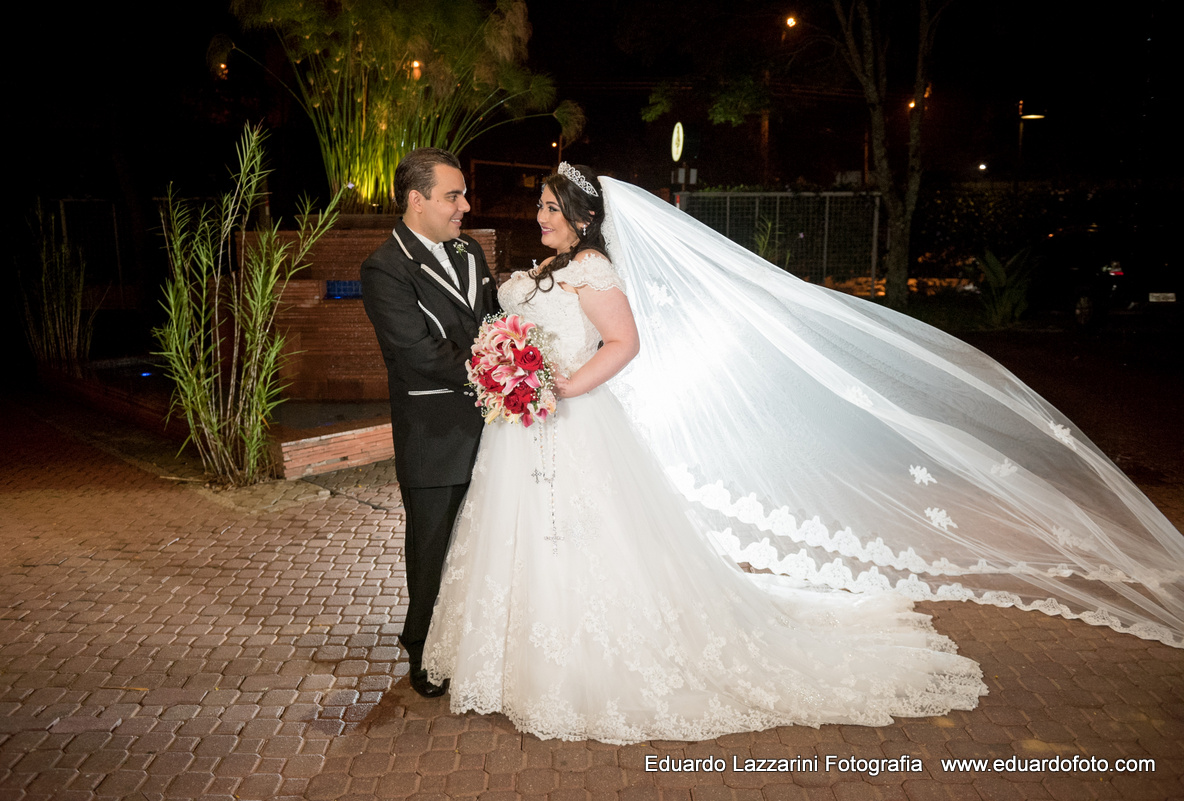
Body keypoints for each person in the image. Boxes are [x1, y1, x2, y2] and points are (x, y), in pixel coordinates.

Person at [424, 163, 1184, 743]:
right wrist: (509, 366)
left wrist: (558, 390)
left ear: (582, 217)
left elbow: (624, 344)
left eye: (550, 208)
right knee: (522, 540)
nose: (539, 215)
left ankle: (576, 662)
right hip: (519, 428)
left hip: (571, 421)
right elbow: (519, 329)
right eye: (542, 207)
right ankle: (505, 656)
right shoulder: (544, 270)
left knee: (585, 539)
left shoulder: (594, 271)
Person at [361, 148, 499, 698]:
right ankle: (422, 649)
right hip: (434, 432)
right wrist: (497, 373)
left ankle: (474, 641)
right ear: (416, 201)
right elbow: (417, 351)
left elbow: (491, 319)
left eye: (462, 194)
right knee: (433, 545)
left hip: (494, 428)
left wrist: (508, 358)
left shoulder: (468, 250)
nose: (464, 205)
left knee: (482, 541)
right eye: (452, 196)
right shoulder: (384, 269)